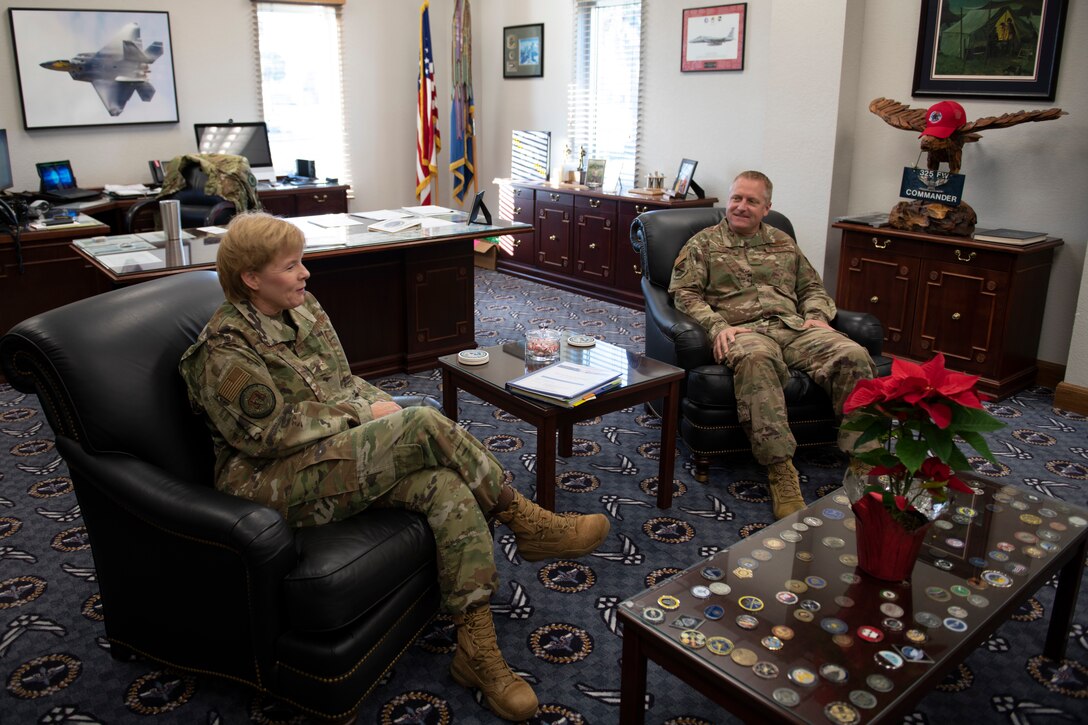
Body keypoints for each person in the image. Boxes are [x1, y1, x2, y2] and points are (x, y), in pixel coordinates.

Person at [179, 212, 610, 721]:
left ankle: (477, 651)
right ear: (252, 278)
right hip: (266, 480)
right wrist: (370, 417)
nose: (305, 274)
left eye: (301, 263)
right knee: (424, 422)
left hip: (327, 454)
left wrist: (381, 411)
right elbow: (269, 432)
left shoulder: (304, 309)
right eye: (291, 266)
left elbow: (344, 381)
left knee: (445, 485)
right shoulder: (225, 349)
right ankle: (525, 518)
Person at [668, 171, 875, 519]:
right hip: (743, 332)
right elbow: (684, 294)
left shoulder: (783, 242)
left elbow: (812, 288)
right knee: (757, 360)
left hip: (792, 326)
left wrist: (817, 316)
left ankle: (864, 461)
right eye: (736, 198)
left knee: (852, 353)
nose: (741, 207)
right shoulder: (703, 244)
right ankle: (781, 471)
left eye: (751, 201)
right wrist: (717, 325)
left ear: (767, 208)